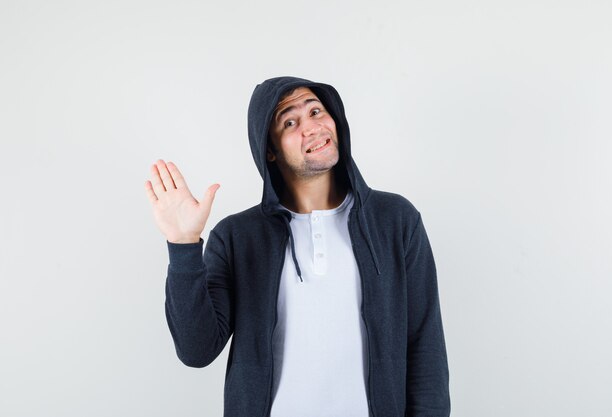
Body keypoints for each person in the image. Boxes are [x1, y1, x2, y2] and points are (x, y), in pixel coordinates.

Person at [145, 76, 450, 417]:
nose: (312, 127)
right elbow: (196, 350)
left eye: (317, 111)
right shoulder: (237, 236)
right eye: (290, 121)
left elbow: (426, 350)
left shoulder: (395, 220)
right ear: (270, 149)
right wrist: (183, 245)